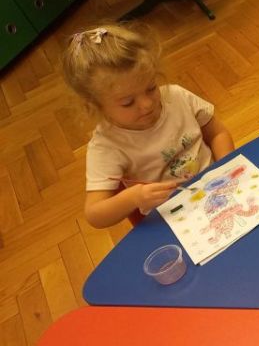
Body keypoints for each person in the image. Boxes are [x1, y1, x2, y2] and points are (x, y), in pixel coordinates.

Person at [61, 24, 235, 228]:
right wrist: (133, 198)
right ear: (95, 106)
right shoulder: (107, 145)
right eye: (128, 102)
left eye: (151, 88)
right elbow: (95, 214)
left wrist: (225, 167)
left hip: (219, 187)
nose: (147, 104)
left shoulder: (176, 96)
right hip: (175, 220)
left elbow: (218, 133)